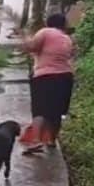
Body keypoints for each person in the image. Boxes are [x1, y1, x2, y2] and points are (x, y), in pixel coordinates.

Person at [20, 13, 74, 152]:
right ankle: (51, 140)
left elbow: (31, 47)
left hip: (44, 76)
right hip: (65, 77)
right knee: (56, 111)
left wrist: (24, 37)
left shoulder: (45, 32)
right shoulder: (67, 39)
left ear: (48, 22)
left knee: (40, 109)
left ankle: (36, 141)